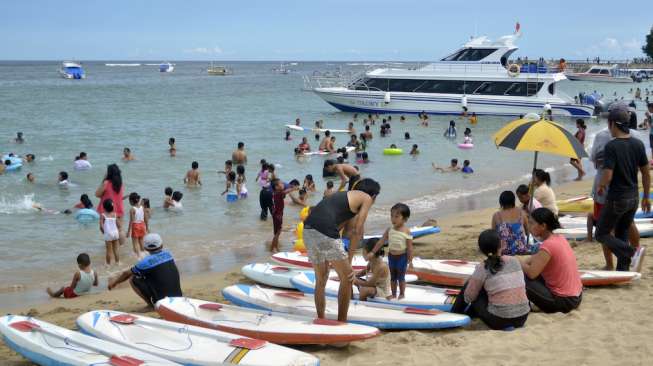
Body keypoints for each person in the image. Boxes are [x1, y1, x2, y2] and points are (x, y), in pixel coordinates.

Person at [304, 178, 380, 321]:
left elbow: (338, 227)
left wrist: (332, 254)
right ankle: (341, 322)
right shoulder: (367, 198)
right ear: (374, 195)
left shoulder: (346, 198)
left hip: (308, 229)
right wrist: (349, 262)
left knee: (321, 279)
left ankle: (321, 319)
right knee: (347, 277)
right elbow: (357, 231)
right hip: (324, 231)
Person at [596, 103, 649, 271]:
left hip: (617, 197)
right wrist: (646, 196)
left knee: (601, 233)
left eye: (608, 123)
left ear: (612, 124)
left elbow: (608, 174)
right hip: (634, 197)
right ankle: (622, 270)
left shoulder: (612, 146)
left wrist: (601, 185)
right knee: (621, 233)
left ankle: (632, 252)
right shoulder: (638, 144)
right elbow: (646, 173)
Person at [452, 230, 529, 329]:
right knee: (488, 286)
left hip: (500, 320)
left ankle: (454, 314)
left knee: (470, 286)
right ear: (501, 245)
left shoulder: (483, 268)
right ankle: (467, 313)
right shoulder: (514, 260)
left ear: (481, 250)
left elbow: (469, 297)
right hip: (522, 317)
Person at [520, 208, 582, 313]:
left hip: (565, 301)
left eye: (531, 223)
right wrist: (523, 262)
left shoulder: (548, 245)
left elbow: (531, 273)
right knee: (529, 271)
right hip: (576, 296)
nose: (529, 227)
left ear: (543, 226)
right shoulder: (559, 238)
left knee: (521, 278)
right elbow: (535, 258)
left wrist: (518, 263)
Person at [108, 233, 182, 307]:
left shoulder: (145, 262)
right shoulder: (168, 254)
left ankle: (151, 305)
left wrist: (114, 283)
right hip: (178, 297)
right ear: (161, 245)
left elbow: (126, 273)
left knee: (133, 278)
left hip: (163, 302)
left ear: (145, 248)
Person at [371, 203, 413, 299]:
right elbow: (381, 241)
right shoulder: (389, 229)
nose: (393, 219)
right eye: (392, 216)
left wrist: (410, 261)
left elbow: (410, 247)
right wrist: (373, 252)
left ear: (405, 219)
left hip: (402, 257)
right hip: (391, 256)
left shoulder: (407, 231)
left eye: (396, 216)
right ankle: (393, 294)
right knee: (393, 276)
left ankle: (402, 293)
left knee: (401, 277)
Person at [492, 191, 535, 255]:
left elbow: (493, 235)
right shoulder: (522, 213)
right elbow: (527, 232)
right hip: (521, 250)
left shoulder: (496, 216)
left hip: (504, 251)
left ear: (501, 202)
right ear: (513, 201)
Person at [96, 164, 125, 242]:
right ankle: (121, 247)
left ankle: (110, 245)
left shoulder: (106, 183)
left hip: (108, 209)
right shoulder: (120, 184)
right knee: (120, 229)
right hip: (119, 209)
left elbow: (97, 194)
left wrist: (104, 179)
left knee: (107, 230)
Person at [270, 178, 300, 252]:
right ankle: (273, 248)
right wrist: (294, 188)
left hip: (276, 214)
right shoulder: (279, 193)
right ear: (276, 187)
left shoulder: (276, 193)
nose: (283, 184)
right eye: (281, 183)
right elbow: (286, 191)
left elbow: (284, 193)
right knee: (277, 233)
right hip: (278, 215)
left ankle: (275, 247)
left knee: (277, 233)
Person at [100, 199, 121, 265]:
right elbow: (119, 225)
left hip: (108, 233)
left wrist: (103, 232)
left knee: (109, 251)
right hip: (115, 233)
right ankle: (118, 262)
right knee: (116, 249)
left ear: (104, 207)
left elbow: (101, 226)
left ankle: (108, 264)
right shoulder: (115, 214)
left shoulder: (103, 215)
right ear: (112, 207)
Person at [127, 192, 148, 257]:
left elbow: (131, 221)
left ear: (131, 201)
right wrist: (147, 227)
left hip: (135, 226)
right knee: (141, 241)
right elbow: (145, 218)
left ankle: (138, 256)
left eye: (129, 201)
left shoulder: (132, 209)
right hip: (142, 225)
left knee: (135, 243)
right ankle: (144, 253)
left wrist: (128, 231)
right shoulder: (142, 207)